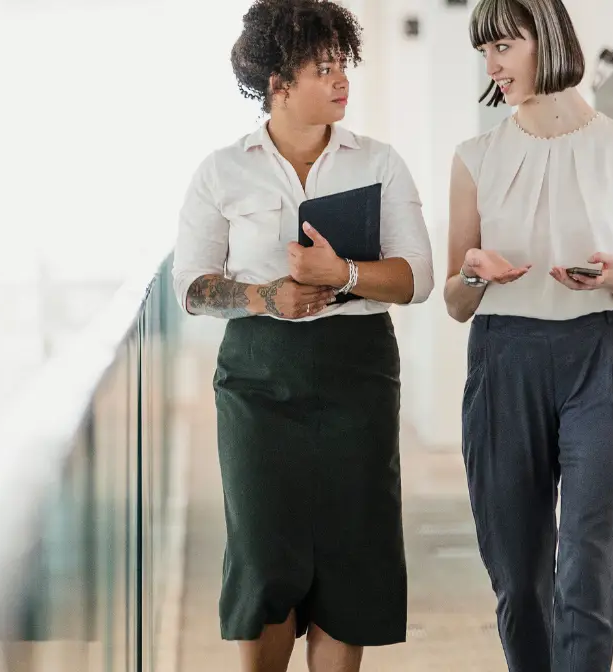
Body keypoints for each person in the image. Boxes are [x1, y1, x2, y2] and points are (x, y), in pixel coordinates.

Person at [170, 1, 436, 670]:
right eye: (323, 68)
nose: (341, 80)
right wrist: (266, 296)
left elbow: (418, 278)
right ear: (277, 83)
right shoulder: (221, 171)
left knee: (352, 551)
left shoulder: (379, 162)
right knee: (264, 551)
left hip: (358, 374)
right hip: (258, 378)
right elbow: (194, 288)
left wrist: (342, 273)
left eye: (343, 64)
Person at [445, 0, 613, 670]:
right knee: (519, 580)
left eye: (503, 47)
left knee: (586, 573)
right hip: (503, 361)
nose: (492, 65)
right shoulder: (475, 157)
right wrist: (476, 272)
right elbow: (456, 303)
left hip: (602, 360)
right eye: (485, 51)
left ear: (544, 41)